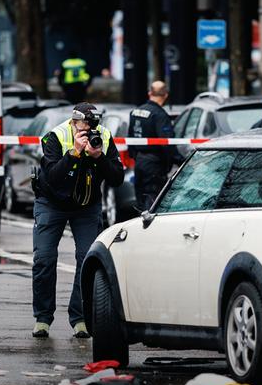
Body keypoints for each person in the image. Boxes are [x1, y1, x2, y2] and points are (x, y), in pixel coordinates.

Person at [31, 102, 124, 339]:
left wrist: (99, 156)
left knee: (87, 260)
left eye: (94, 124)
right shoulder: (56, 136)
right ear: (74, 122)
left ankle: (80, 318)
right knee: (44, 258)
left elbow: (117, 178)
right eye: (85, 124)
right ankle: (43, 318)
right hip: (52, 203)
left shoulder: (102, 137)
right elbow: (53, 176)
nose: (90, 129)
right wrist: (74, 152)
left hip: (86, 206)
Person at [128, 81, 183, 211]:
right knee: (153, 201)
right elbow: (166, 142)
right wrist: (180, 160)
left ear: (149, 93)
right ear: (165, 95)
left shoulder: (135, 111)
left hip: (140, 162)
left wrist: (136, 157)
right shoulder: (160, 115)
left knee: (141, 199)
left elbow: (130, 137)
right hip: (154, 165)